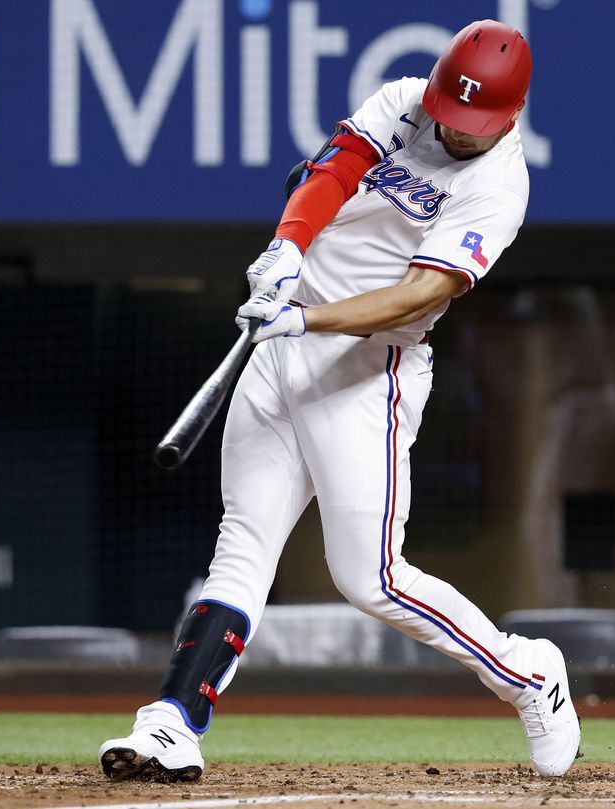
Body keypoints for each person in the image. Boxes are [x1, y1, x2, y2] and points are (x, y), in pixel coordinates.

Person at [99, 19, 580, 782]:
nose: (451, 133)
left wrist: (307, 316)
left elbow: (418, 293)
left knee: (371, 578)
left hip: (364, 371)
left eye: (470, 126)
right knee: (244, 540)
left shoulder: (498, 189)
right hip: (280, 344)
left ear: (508, 117)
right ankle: (173, 720)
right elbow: (332, 169)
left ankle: (527, 673)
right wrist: (286, 249)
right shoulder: (405, 100)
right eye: (447, 116)